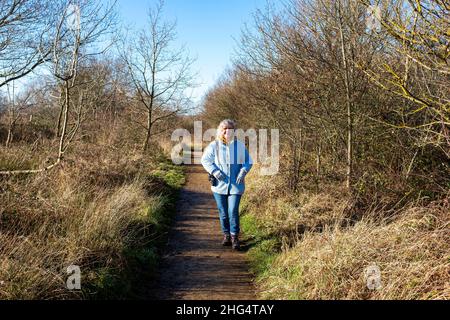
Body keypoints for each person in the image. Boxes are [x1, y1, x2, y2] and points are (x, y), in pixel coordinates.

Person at [201, 119, 253, 251]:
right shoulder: (214, 146)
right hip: (219, 185)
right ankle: (226, 235)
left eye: (230, 129)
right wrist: (214, 171)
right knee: (223, 212)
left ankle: (235, 237)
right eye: (224, 129)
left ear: (234, 131)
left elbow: (248, 161)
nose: (227, 131)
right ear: (220, 130)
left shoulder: (239, 146)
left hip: (236, 185)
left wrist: (243, 171)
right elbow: (205, 160)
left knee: (233, 211)